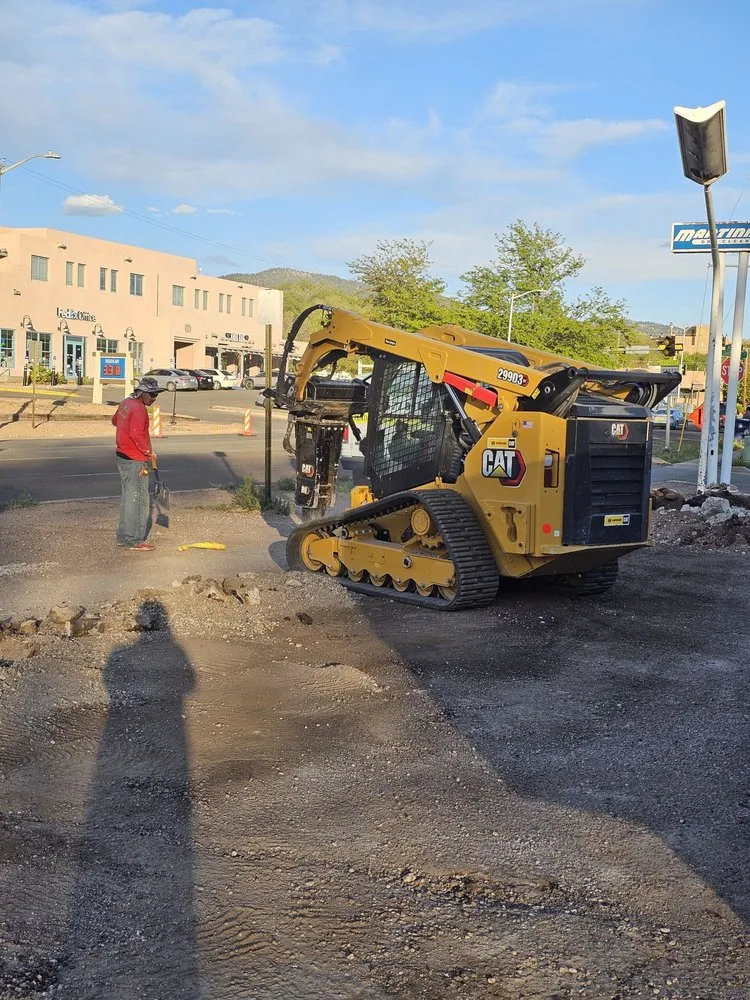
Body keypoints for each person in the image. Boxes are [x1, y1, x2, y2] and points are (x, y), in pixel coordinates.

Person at [111, 376, 164, 551]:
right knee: (139, 500)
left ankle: (124, 537)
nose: (154, 398)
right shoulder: (140, 409)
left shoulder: (126, 403)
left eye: (156, 394)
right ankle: (134, 540)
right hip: (135, 459)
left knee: (128, 498)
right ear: (142, 392)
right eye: (152, 394)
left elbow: (115, 421)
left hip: (122, 455)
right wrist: (148, 452)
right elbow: (137, 435)